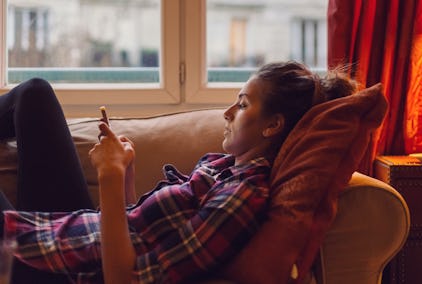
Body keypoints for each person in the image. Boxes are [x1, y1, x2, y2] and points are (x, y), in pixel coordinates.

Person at [0, 61, 356, 283]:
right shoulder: (224, 168)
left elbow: (124, 278)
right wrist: (125, 171)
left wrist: (107, 175)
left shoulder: (240, 199)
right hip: (78, 235)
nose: (228, 112)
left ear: (273, 125)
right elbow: (137, 231)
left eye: (243, 104)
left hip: (64, 271)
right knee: (34, 93)